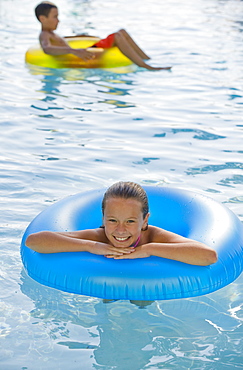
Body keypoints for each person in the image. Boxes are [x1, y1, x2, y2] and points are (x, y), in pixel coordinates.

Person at [26, 181, 218, 266]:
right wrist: (91, 246)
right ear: (103, 219)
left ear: (145, 221)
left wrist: (149, 249)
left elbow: (208, 256)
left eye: (130, 221)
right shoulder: (98, 237)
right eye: (112, 220)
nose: (120, 230)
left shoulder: (154, 236)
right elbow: (34, 241)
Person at [34, 2, 171, 71]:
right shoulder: (44, 35)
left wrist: (80, 37)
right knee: (117, 35)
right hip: (85, 55)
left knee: (121, 32)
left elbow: (63, 41)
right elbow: (47, 49)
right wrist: (73, 50)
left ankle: (146, 58)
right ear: (42, 19)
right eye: (55, 17)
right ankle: (146, 66)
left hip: (86, 50)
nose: (58, 20)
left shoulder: (52, 33)